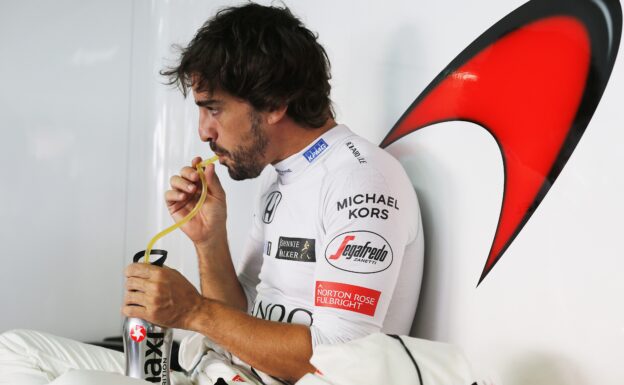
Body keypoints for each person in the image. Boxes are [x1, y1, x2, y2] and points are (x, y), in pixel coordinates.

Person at [0, 3, 423, 385]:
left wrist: (193, 311)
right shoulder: (283, 178)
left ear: (274, 103)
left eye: (213, 109)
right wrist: (209, 239)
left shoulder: (362, 180)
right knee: (14, 350)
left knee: (75, 383)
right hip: (222, 371)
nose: (204, 131)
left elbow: (338, 361)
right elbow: (240, 318)